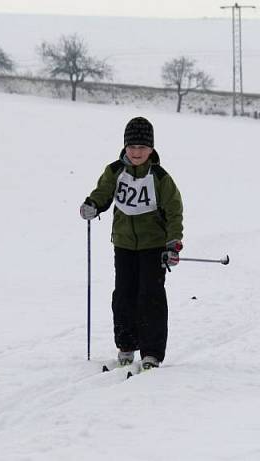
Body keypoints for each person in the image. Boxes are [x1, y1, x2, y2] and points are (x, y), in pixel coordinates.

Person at [79, 117, 184, 370]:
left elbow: (174, 211)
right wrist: (92, 204)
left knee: (151, 296)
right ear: (125, 147)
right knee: (124, 295)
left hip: (153, 246)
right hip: (124, 244)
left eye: (142, 147)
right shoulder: (115, 171)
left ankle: (151, 352)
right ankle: (126, 344)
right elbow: (103, 193)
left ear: (151, 149)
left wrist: (173, 244)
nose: (137, 152)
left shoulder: (160, 177)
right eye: (132, 147)